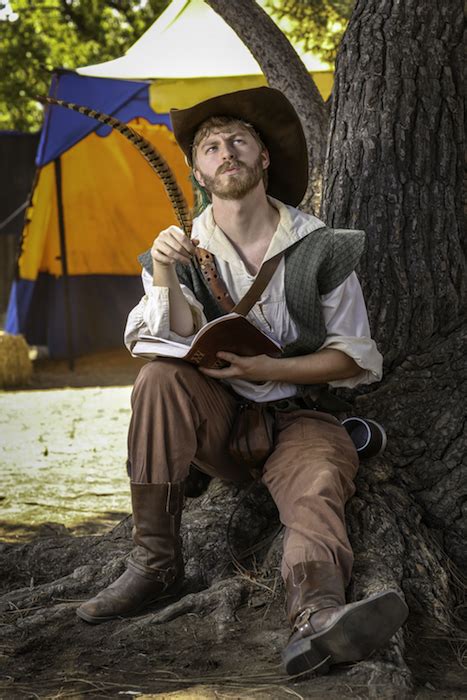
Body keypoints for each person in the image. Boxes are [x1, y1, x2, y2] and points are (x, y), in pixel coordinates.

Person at [76, 87, 408, 675]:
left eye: (237, 141)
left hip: (299, 417)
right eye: (209, 146)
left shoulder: (319, 248)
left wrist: (268, 369)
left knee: (318, 481)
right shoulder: (184, 250)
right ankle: (154, 565)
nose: (225, 152)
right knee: (157, 378)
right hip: (217, 418)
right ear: (198, 171)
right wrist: (162, 270)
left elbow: (354, 359)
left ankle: (320, 619)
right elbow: (169, 339)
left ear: (263, 159)